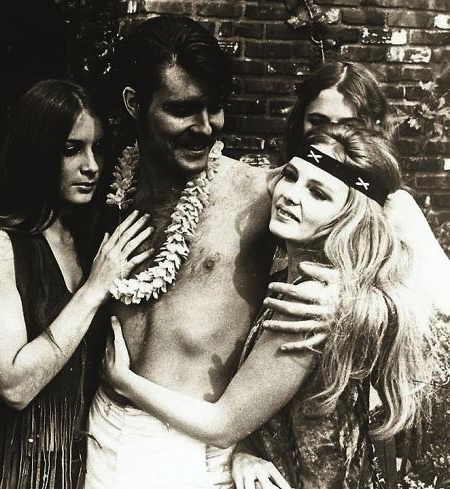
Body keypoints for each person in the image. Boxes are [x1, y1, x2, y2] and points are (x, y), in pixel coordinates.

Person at [83, 15, 342, 489]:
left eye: (215, 108)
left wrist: (345, 297)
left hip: (191, 447)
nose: (205, 128)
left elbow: (382, 236)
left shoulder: (261, 194)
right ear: (134, 104)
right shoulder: (103, 194)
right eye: (183, 110)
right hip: (100, 435)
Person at [104, 123, 436, 488]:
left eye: (318, 193)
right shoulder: (296, 279)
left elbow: (222, 424)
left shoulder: (309, 305)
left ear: (349, 218)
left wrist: (123, 381)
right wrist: (246, 449)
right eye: (291, 176)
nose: (291, 195)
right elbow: (266, 405)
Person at [0, 79, 153, 489]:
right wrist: (93, 291)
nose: (92, 165)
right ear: (37, 152)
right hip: (2, 468)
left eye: (98, 148)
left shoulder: (86, 240)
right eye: (72, 149)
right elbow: (14, 385)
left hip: (67, 466)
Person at [283, 61, 450, 316]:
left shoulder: (391, 204)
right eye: (317, 122)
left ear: (374, 127)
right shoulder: (282, 187)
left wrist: (356, 306)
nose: (331, 135)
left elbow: (445, 297)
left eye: (349, 125)